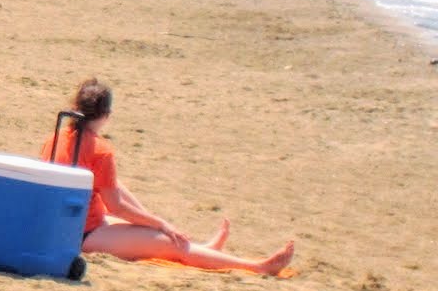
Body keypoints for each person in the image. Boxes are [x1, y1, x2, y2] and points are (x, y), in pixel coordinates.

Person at [41, 78, 294, 276]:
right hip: (83, 234)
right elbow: (115, 206)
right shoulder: (100, 149)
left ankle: (205, 250)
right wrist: (159, 223)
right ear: (106, 115)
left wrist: (151, 221)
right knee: (169, 243)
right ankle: (256, 267)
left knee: (121, 192)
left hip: (62, 224)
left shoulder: (55, 138)